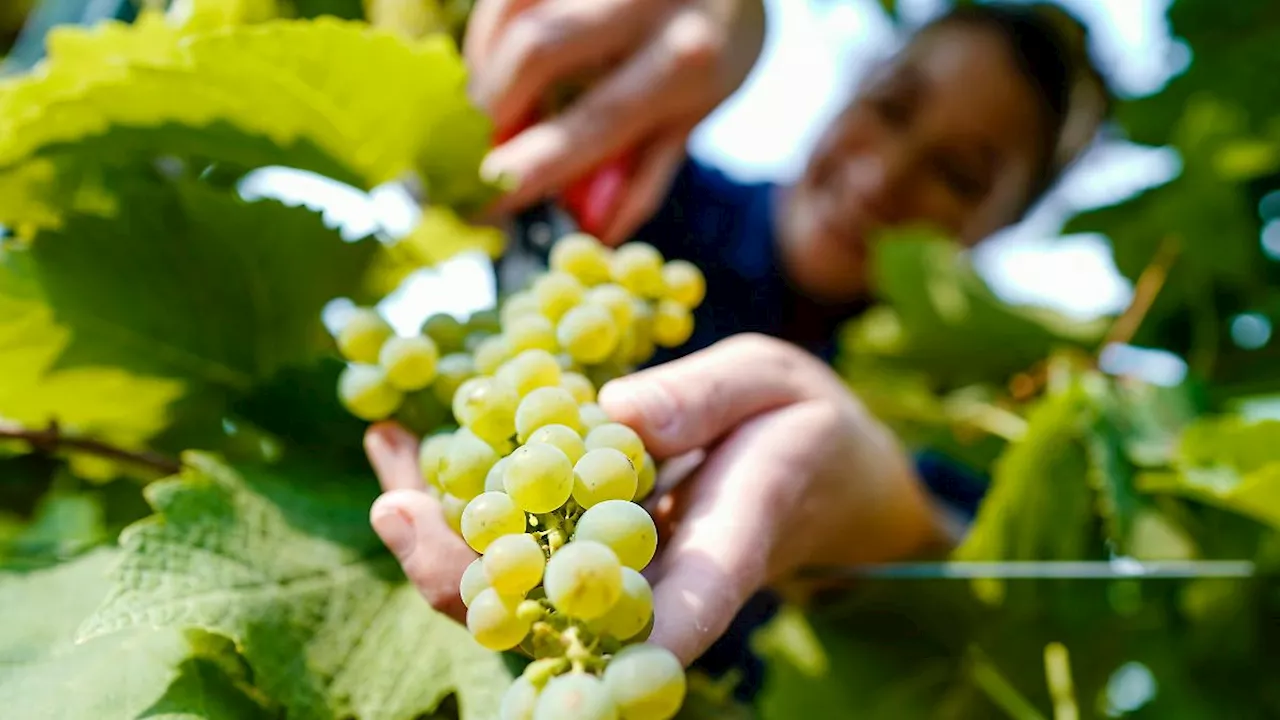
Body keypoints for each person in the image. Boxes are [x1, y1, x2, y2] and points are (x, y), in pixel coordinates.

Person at [364, 0, 1110, 701]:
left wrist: (886, 523)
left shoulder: (981, 406)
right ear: (854, 84)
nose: (884, 176)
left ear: (1004, 224)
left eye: (958, 175)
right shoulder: (634, 194)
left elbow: (994, 578)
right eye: (891, 106)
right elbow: (460, 89)